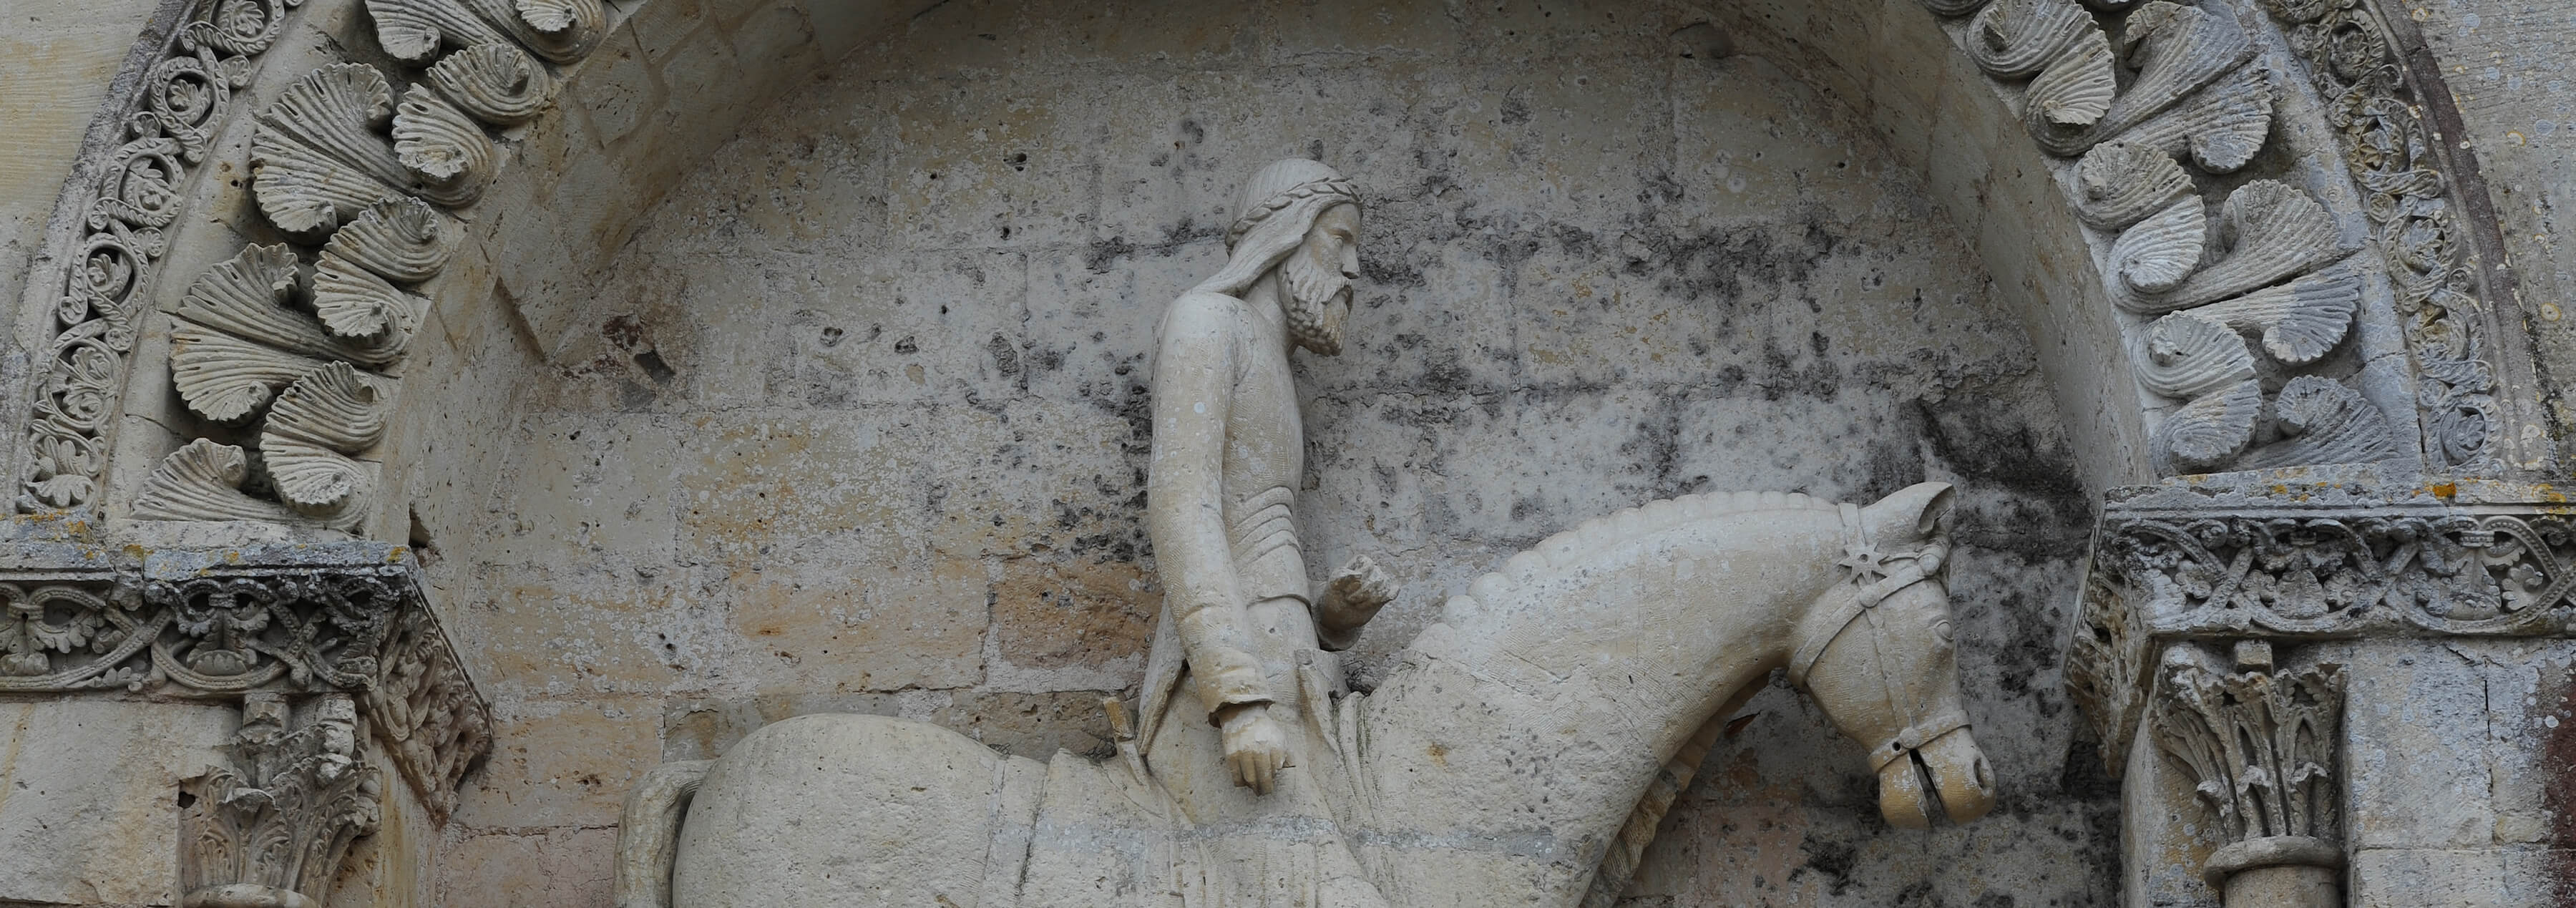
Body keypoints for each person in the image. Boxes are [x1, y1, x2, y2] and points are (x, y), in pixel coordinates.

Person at [1137, 158, 1398, 907]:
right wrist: (1238, 701)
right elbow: (1182, 510)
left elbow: (1261, 553)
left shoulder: (1272, 361)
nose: (1353, 269)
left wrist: (1333, 621)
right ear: (1284, 237)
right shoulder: (1206, 322)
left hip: (1301, 677)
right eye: (1339, 240)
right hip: (1233, 693)